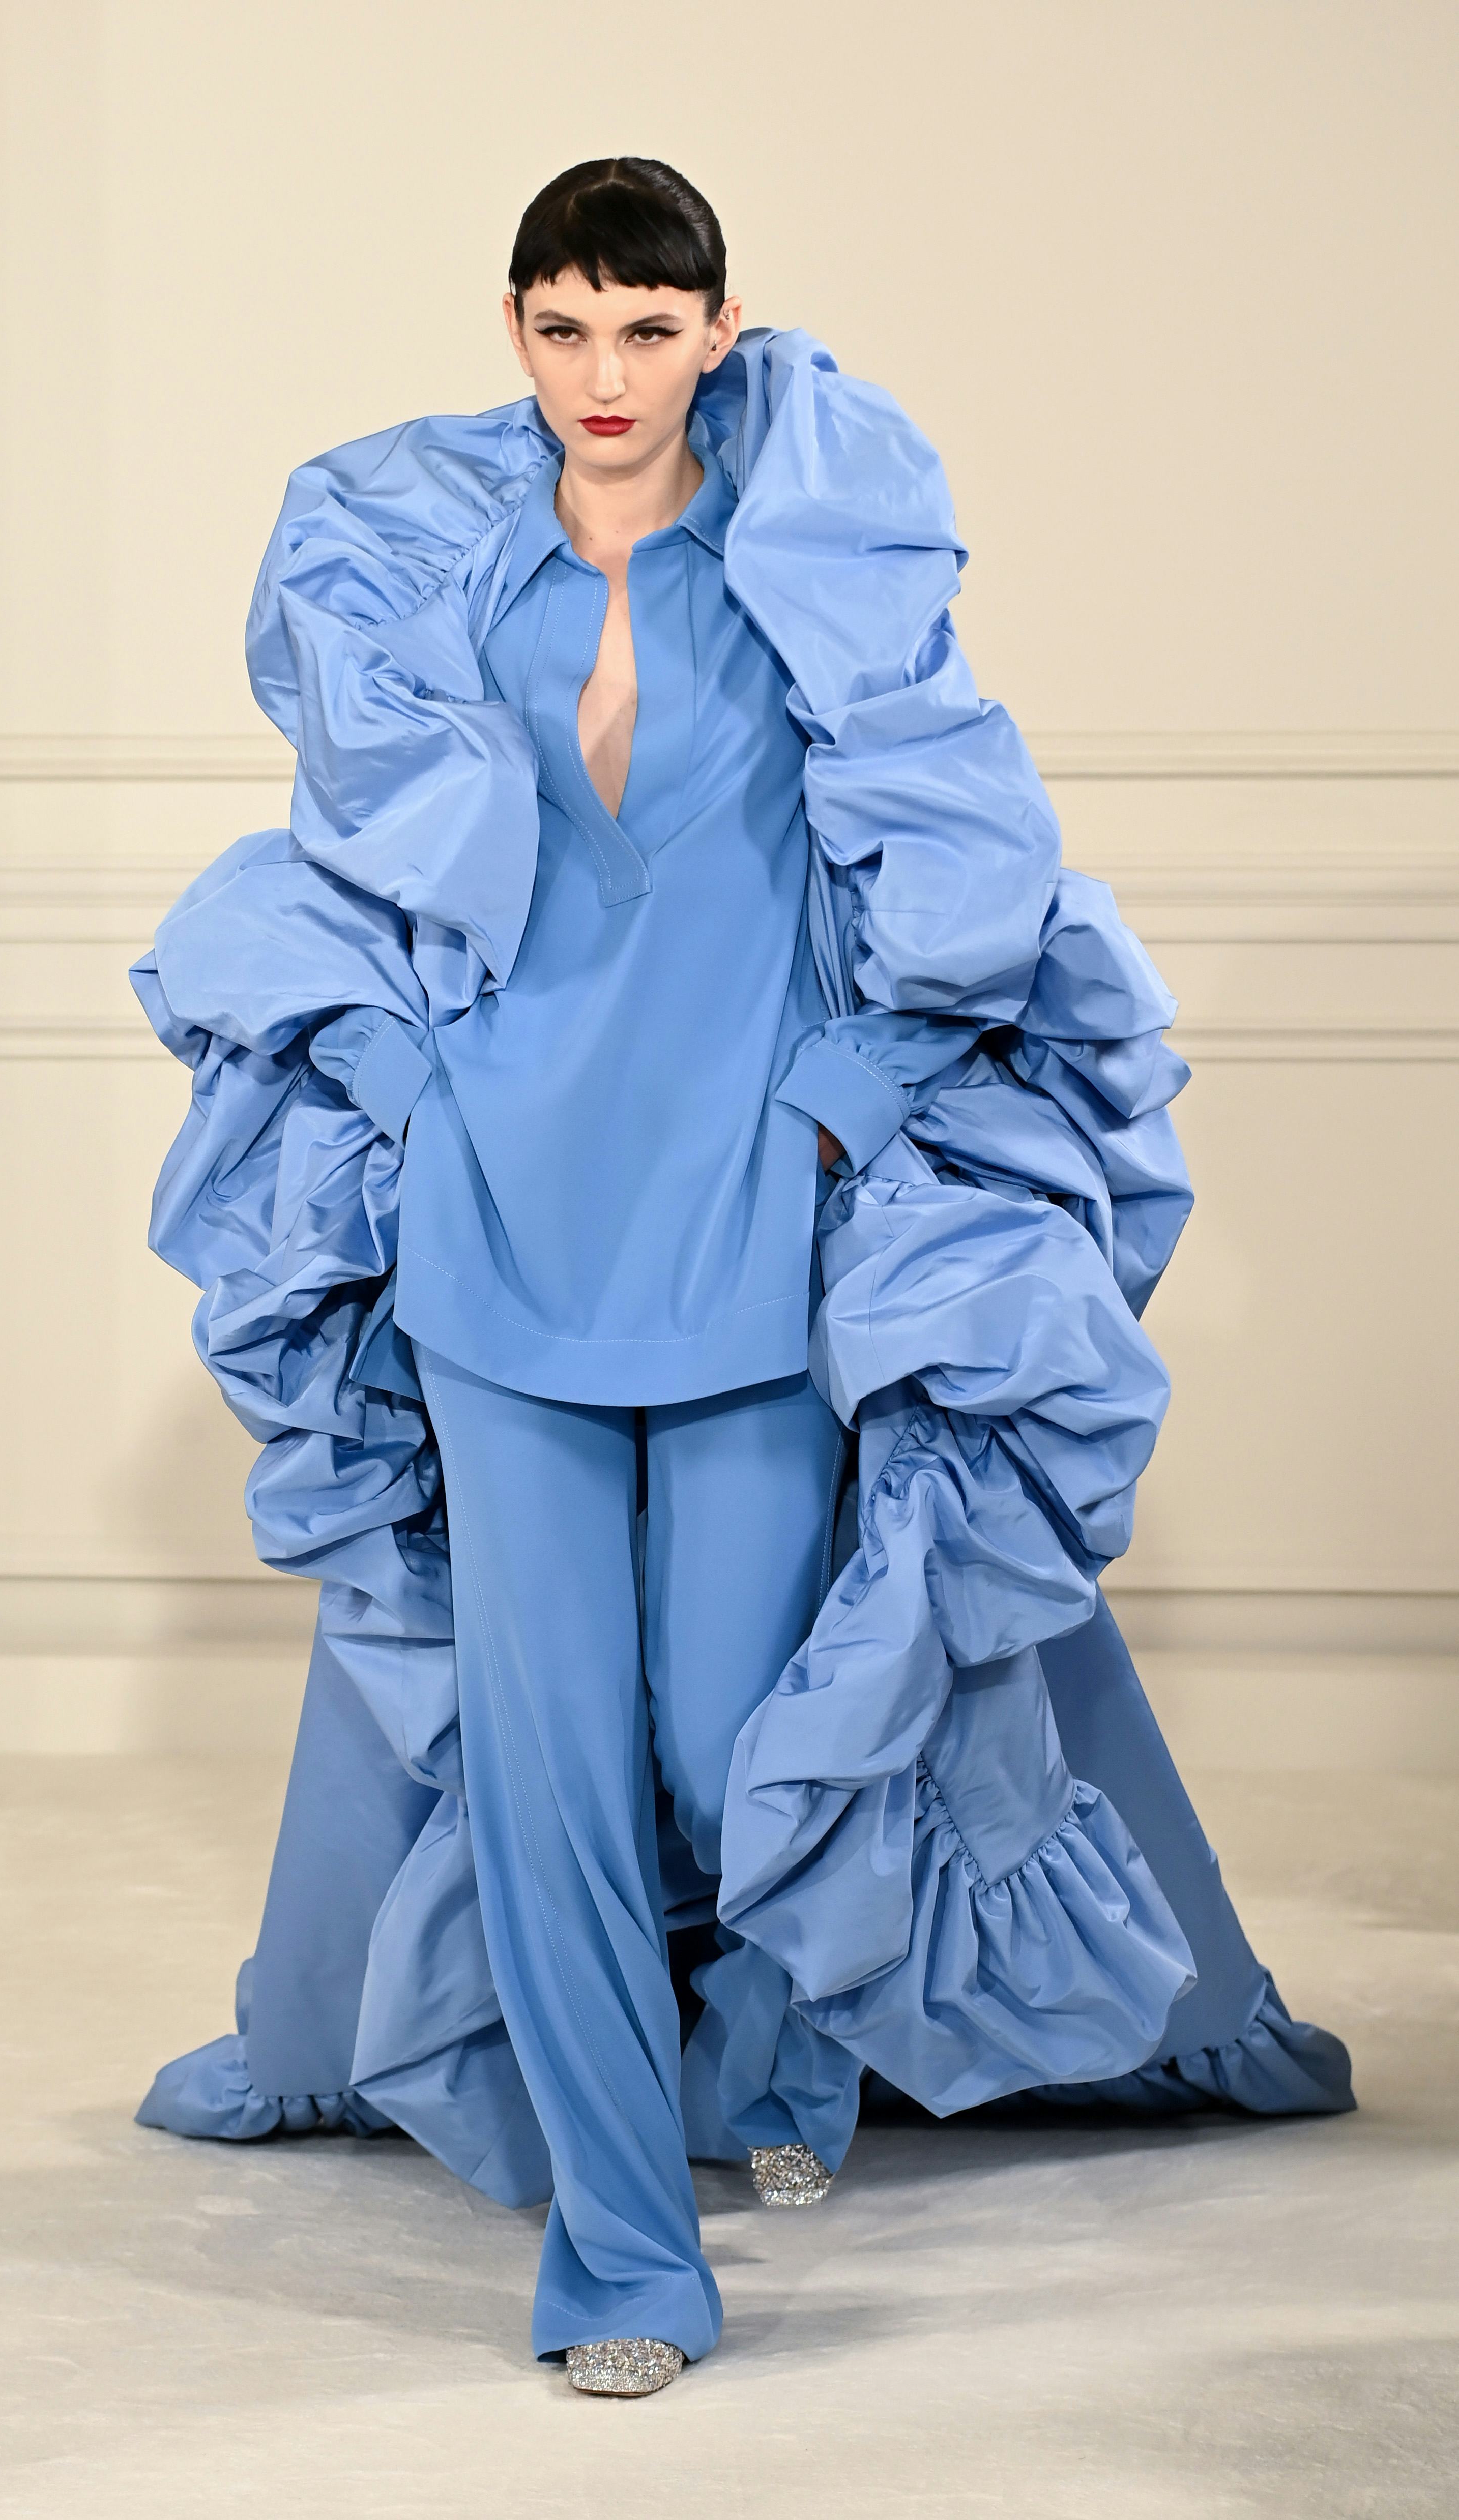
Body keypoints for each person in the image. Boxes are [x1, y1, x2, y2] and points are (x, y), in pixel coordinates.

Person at [131, 158, 1353, 2397]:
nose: (605, 373)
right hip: (497, 1237)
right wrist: (409, 1093)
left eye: (648, 327)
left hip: (744, 1232)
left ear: (716, 331)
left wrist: (838, 1109)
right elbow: (351, 876)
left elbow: (959, 885)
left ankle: (772, 2064)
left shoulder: (808, 578)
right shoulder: (435, 578)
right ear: (516, 331)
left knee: (736, 1737)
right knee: (549, 1776)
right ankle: (623, 2257)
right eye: (565, 327)